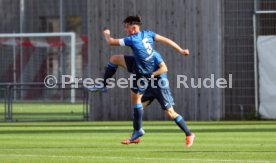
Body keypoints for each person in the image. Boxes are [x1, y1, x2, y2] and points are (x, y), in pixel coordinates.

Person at [86, 16, 195, 148]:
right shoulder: (148, 35)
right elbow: (166, 40)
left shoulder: (141, 45)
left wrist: (106, 34)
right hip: (143, 73)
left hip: (158, 83)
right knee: (116, 61)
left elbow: (164, 69)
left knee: (170, 113)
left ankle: (189, 134)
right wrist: (180, 50)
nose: (125, 30)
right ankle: (136, 134)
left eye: (126, 27)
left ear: (133, 28)